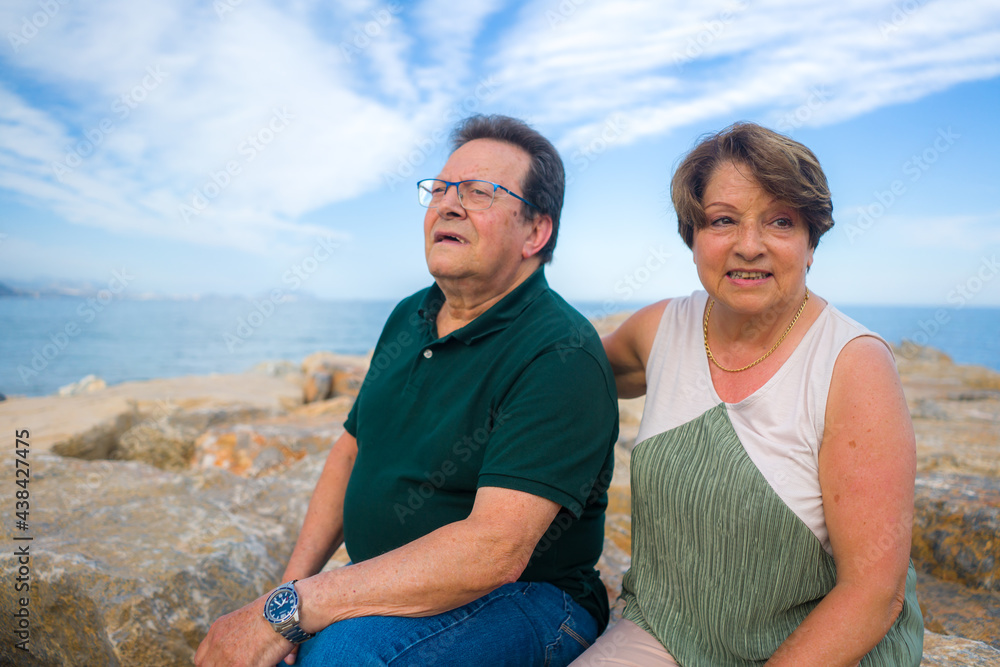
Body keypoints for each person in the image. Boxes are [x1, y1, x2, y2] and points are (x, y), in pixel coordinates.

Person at [195, 115, 619, 667]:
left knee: (343, 659)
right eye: (440, 189)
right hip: (400, 583)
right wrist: (285, 598)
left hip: (532, 600)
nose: (448, 204)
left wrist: (293, 610)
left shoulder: (560, 351)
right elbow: (352, 449)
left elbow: (493, 553)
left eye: (479, 192)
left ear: (535, 232)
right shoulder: (408, 314)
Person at [573, 122, 923, 666]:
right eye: (723, 220)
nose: (749, 245)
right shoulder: (663, 328)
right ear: (693, 238)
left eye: (780, 221)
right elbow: (569, 371)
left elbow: (874, 594)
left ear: (811, 243)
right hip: (667, 630)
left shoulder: (853, 363)